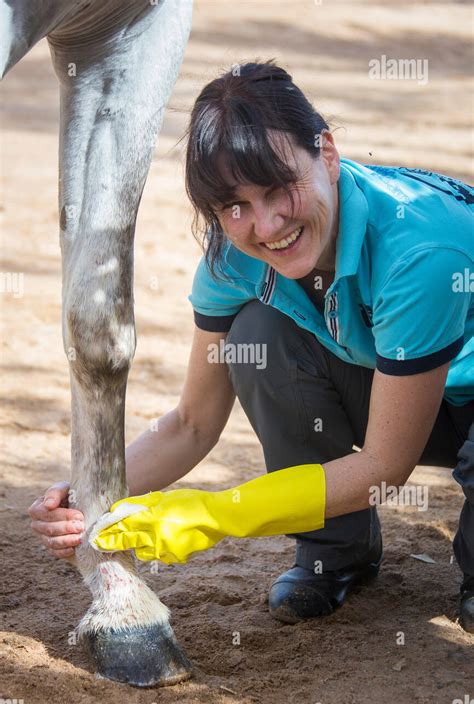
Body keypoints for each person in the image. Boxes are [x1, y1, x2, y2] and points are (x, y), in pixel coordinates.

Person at [28, 60, 474, 631]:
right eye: (233, 206)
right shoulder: (232, 257)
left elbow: (387, 466)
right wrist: (88, 497)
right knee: (257, 338)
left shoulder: (419, 254)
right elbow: (191, 422)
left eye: (279, 187)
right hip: (412, 388)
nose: (265, 225)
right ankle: (334, 551)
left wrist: (218, 513)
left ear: (328, 154)